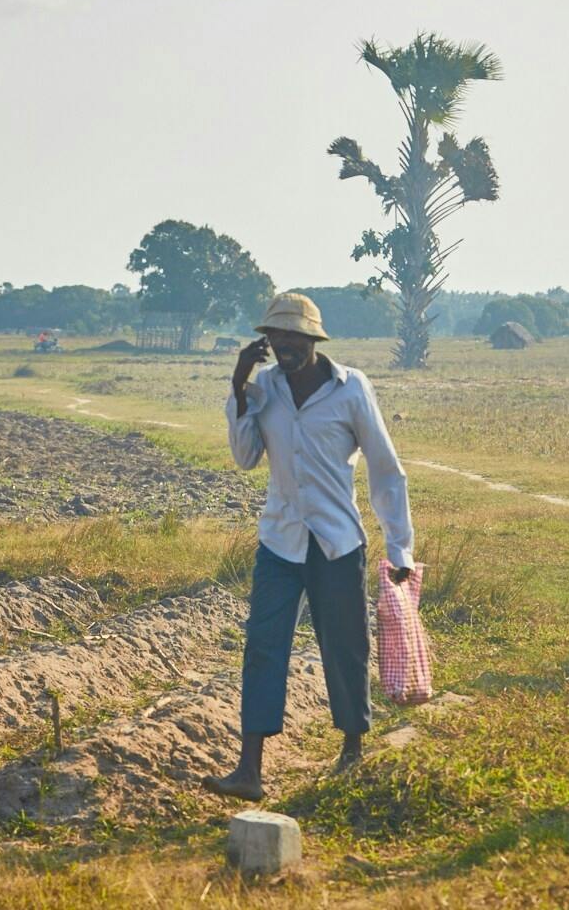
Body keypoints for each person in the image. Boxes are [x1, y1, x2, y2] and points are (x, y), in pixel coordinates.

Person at [202, 293, 415, 802]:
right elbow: (246, 457)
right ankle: (249, 770)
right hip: (280, 541)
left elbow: (386, 468)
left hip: (336, 543)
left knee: (344, 646)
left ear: (314, 341)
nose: (286, 347)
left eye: (295, 338)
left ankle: (351, 751)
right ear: (267, 341)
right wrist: (238, 389)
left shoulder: (350, 389)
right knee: (262, 647)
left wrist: (399, 548)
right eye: (277, 338)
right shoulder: (265, 389)